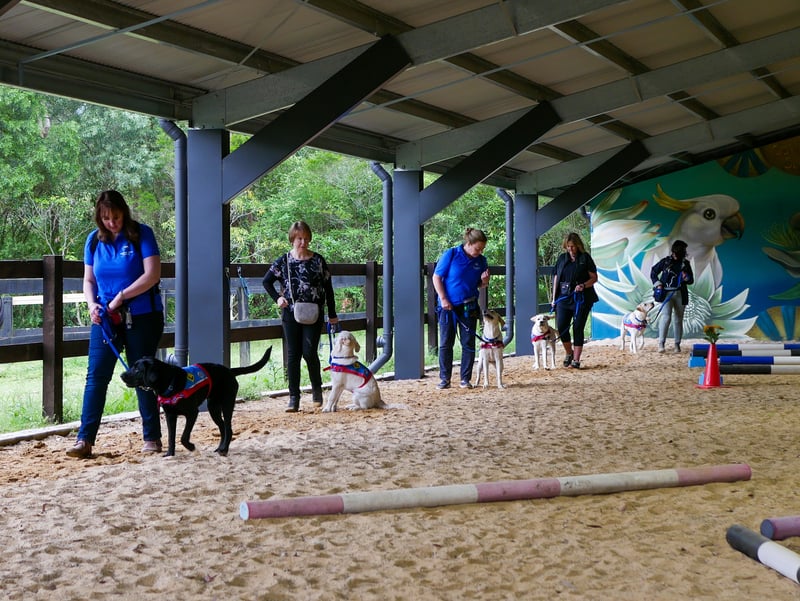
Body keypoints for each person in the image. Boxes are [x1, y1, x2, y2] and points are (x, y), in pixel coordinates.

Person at [67, 190, 164, 458]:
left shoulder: (142, 234)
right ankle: (84, 439)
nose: (112, 222)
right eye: (106, 218)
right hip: (106, 317)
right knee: (96, 374)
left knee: (142, 373)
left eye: (116, 216)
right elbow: (89, 281)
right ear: (99, 218)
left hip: (141, 314)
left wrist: (122, 296)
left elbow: (152, 274)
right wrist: (92, 305)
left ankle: (152, 437)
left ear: (124, 212)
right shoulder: (93, 241)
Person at [263, 221, 339, 412]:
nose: (303, 242)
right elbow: (267, 282)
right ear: (292, 239)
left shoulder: (318, 260)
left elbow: (328, 288)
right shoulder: (284, 261)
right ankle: (293, 398)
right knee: (293, 354)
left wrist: (332, 314)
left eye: (306, 238)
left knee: (309, 352)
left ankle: (316, 390)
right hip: (291, 313)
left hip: (314, 312)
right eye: (299, 238)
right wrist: (278, 299)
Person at [432, 228, 490, 390]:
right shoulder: (451, 254)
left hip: (469, 305)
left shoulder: (481, 261)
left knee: (468, 342)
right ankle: (445, 378)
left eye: (482, 249)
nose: (479, 252)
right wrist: (443, 298)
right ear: (468, 243)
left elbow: (479, 284)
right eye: (477, 248)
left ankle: (465, 378)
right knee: (445, 342)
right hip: (448, 306)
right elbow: (436, 277)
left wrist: (484, 282)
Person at [551, 232, 598, 369]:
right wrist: (554, 299)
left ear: (578, 246)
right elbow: (556, 278)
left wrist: (583, 285)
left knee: (578, 326)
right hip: (563, 297)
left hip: (582, 298)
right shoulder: (561, 259)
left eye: (572, 246)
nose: (570, 249)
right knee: (561, 327)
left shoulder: (585, 258)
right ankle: (569, 352)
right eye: (568, 246)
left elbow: (594, 278)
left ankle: (576, 360)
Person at [650, 239, 694, 353]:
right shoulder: (665, 262)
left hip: (680, 293)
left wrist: (686, 277)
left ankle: (677, 344)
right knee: (666, 317)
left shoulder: (685, 263)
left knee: (678, 319)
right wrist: (658, 284)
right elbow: (653, 272)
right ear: (673, 251)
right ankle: (661, 344)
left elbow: (691, 281)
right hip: (666, 293)